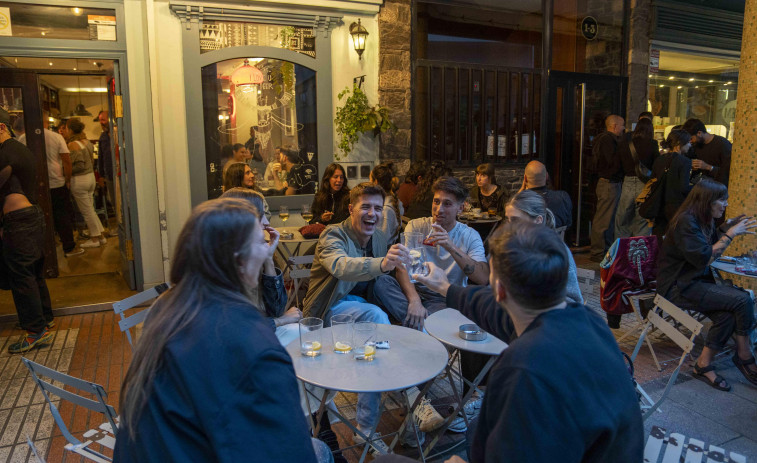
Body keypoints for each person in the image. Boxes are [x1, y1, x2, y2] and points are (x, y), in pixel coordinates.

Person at [385, 222, 645, 463]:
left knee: (385, 460)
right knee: (475, 428)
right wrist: (446, 288)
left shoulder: (524, 369)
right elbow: (494, 309)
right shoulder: (586, 319)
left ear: (498, 290)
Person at [114, 198, 331, 462]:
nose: (265, 250)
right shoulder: (252, 342)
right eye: (260, 243)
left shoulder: (166, 309)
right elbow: (293, 452)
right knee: (319, 450)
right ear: (239, 260)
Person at [304, 183, 425, 452]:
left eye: (378, 208)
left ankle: (394, 417)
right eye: (366, 207)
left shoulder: (379, 239)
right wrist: (382, 264)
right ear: (351, 209)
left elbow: (399, 266)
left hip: (363, 311)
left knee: (377, 353)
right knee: (376, 321)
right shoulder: (332, 235)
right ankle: (409, 398)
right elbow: (341, 266)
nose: (373, 214)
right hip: (328, 312)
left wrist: (415, 299)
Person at [657, 179, 757, 390]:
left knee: (728, 314)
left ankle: (703, 364)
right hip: (677, 287)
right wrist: (730, 234)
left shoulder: (702, 219)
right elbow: (703, 257)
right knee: (743, 300)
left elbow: (706, 245)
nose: (726, 204)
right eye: (722, 200)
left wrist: (723, 228)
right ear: (707, 201)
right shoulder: (686, 221)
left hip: (693, 283)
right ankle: (744, 355)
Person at [375, 177, 489, 327]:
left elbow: (483, 278)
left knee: (441, 314)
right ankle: (425, 327)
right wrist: (415, 301)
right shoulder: (416, 226)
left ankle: (419, 326)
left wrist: (450, 246)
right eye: (436, 202)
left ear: (460, 208)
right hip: (412, 291)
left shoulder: (469, 235)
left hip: (442, 296)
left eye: (447, 204)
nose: (439, 209)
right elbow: (402, 268)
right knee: (382, 282)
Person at [0, 107, 55, 353]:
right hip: (32, 216)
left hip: (19, 220)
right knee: (33, 272)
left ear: (2, 127)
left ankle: (35, 332)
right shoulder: (21, 149)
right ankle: (45, 319)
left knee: (22, 276)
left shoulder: (5, 153)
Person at [220, 188, 302, 346]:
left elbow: (276, 309)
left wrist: (268, 259)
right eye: (261, 215)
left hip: (254, 335)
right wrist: (281, 320)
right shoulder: (223, 264)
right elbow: (238, 329)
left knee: (300, 333)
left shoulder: (250, 252)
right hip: (235, 345)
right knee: (298, 336)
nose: (267, 222)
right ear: (241, 219)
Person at [18, 113, 83, 257]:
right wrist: (67, 179)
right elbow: (66, 161)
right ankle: (69, 247)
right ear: (47, 122)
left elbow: (20, 162)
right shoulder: (56, 137)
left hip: (34, 183)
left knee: (37, 216)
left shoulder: (23, 138)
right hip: (56, 181)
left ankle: (42, 249)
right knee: (62, 215)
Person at [505, 190, 583, 304]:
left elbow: (573, 302)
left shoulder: (556, 252)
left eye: (515, 220)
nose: (509, 226)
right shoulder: (510, 245)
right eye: (508, 220)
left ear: (538, 220)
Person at [61, 118, 106, 249]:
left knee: (86, 211)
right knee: (90, 210)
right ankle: (101, 236)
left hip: (80, 180)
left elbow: (79, 165)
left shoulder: (73, 144)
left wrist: (66, 175)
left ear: (70, 129)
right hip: (91, 177)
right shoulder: (86, 142)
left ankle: (94, 239)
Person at [615, 117, 659, 238]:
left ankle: (622, 252)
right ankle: (639, 253)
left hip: (627, 182)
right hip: (644, 184)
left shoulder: (625, 143)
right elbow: (656, 165)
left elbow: (618, 164)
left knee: (622, 220)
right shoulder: (652, 144)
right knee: (642, 220)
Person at [590, 114, 625, 261]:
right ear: (615, 126)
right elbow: (612, 162)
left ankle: (603, 250)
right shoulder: (608, 140)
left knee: (607, 218)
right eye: (622, 125)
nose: (624, 128)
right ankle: (599, 252)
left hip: (607, 182)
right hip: (609, 183)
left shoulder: (602, 139)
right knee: (604, 219)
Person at [650, 129, 692, 239]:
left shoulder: (659, 159)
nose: (689, 145)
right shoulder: (685, 162)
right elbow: (684, 187)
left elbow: (652, 181)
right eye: (688, 142)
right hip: (676, 206)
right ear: (679, 144)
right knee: (676, 237)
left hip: (658, 204)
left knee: (659, 237)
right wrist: (695, 187)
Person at [517, 160, 572, 228]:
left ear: (525, 179)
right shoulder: (563, 197)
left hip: (532, 238)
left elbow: (514, 226)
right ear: (547, 176)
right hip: (556, 238)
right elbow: (568, 223)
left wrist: (520, 193)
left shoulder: (522, 202)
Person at [682, 118, 732, 186]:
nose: (690, 141)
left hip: (718, 188)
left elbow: (728, 173)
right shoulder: (696, 145)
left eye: (691, 138)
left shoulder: (723, 144)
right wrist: (694, 167)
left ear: (699, 133)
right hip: (704, 185)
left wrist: (708, 167)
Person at [370, 162, 402, 244]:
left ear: (376, 182)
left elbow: (380, 242)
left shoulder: (385, 210)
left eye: (370, 180)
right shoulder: (391, 202)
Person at [96, 110, 115, 212]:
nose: (101, 122)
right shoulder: (103, 136)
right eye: (100, 120)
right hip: (109, 175)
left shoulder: (120, 133)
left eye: (103, 119)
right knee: (114, 201)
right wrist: (101, 176)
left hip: (122, 173)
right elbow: (101, 157)